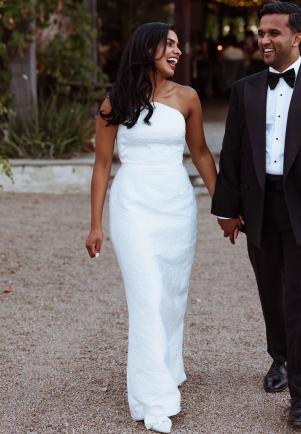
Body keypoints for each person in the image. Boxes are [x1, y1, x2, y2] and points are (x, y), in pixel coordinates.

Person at [211, 2, 301, 428]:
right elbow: (232, 154)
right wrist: (227, 209)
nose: (264, 40)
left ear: (297, 37)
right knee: (271, 291)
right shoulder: (245, 89)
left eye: (274, 33)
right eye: (261, 32)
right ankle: (280, 356)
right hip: (259, 206)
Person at [85, 23, 217, 433]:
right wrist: (95, 224)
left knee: (171, 295)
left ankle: (168, 367)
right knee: (146, 296)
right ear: (147, 49)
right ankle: (154, 398)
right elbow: (102, 165)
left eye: (178, 45)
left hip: (176, 206)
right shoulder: (115, 102)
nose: (178, 51)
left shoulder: (187, 98)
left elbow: (200, 152)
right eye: (169, 44)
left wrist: (225, 207)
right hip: (133, 206)